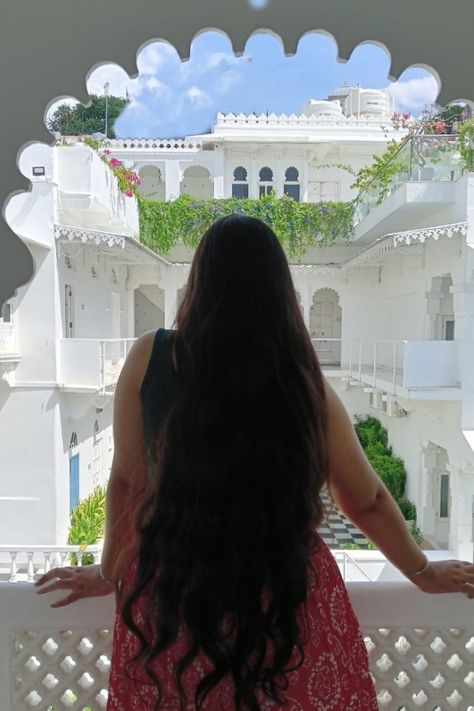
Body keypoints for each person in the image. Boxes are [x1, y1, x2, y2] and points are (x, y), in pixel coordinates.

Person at [36, 215, 474, 710]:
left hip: (174, 592)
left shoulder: (150, 358)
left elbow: (129, 484)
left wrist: (111, 571)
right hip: (285, 596)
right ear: (280, 292)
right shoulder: (304, 383)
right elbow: (365, 498)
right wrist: (421, 570)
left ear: (199, 282)